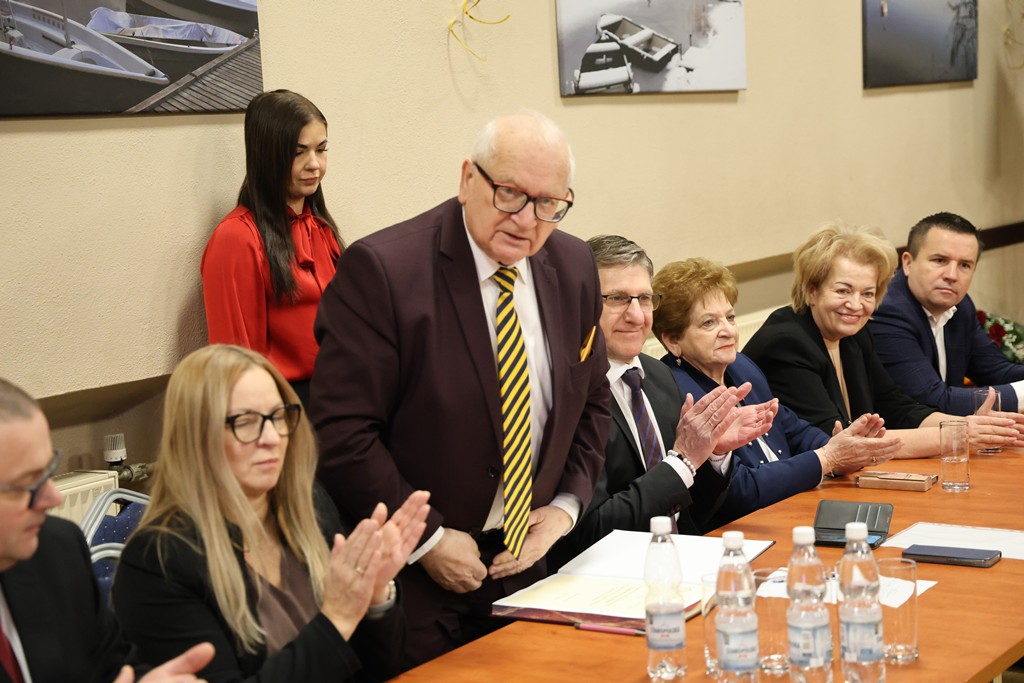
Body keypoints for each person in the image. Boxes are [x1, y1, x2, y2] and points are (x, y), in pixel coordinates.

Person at [310, 111, 610, 667]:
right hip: (419, 581)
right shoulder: (384, 271)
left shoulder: (574, 265)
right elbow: (341, 433)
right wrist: (427, 540)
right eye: (510, 194)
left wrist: (565, 507)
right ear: (468, 178)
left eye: (548, 204)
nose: (527, 221)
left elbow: (591, 399)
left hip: (527, 563)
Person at [112, 345, 430, 683]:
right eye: (246, 422)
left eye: (278, 417)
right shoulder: (158, 560)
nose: (271, 438)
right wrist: (338, 617)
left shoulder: (310, 506)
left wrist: (375, 596)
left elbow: (379, 670)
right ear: (197, 437)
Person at [551, 236, 776, 567]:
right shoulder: (565, 393)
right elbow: (590, 531)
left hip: (683, 560)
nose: (636, 316)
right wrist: (683, 461)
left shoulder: (657, 375)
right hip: (607, 574)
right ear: (580, 304)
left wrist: (712, 454)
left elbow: (691, 512)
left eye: (644, 299)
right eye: (617, 299)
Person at [652, 257, 901, 528]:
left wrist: (843, 450)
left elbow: (790, 427)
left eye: (730, 317)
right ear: (673, 341)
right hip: (740, 529)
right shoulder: (681, 396)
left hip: (791, 507)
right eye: (709, 323)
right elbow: (739, 490)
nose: (728, 331)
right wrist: (829, 458)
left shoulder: (741, 367)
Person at [743, 221, 1024, 457]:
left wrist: (966, 426)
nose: (856, 305)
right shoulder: (787, 343)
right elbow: (840, 442)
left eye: (867, 293)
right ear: (811, 290)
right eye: (843, 291)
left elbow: (897, 406)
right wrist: (957, 435)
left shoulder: (854, 334)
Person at [0, 377, 215, 683]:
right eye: (27, 484)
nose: (53, 498)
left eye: (48, 472)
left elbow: (113, 667)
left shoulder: (56, 550)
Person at [202, 90, 344, 408]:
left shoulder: (320, 227)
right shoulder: (237, 238)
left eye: (321, 150)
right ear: (268, 155)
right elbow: (235, 363)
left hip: (339, 395)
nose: (314, 164)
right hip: (283, 406)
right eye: (298, 152)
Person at [869, 212, 1024, 415]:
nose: (952, 276)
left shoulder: (960, 305)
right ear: (907, 263)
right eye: (940, 260)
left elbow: (996, 371)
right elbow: (932, 399)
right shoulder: (887, 309)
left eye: (964, 265)